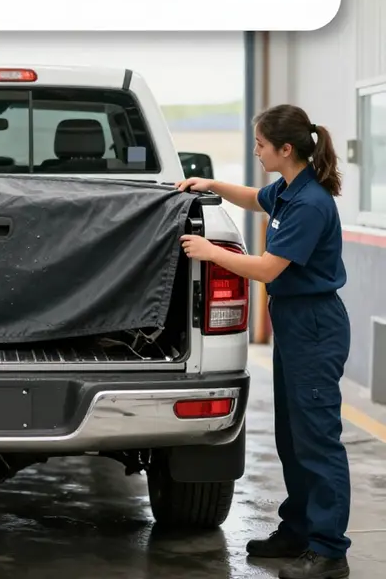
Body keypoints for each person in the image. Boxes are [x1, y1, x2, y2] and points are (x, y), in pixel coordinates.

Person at [177, 103, 351, 579]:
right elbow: (256, 197)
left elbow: (267, 268)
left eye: (260, 144)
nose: (255, 151)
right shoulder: (290, 190)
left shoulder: (312, 204)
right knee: (292, 438)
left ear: (285, 149)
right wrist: (210, 185)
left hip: (314, 325)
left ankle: (330, 551)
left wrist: (212, 251)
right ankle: (298, 530)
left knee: (317, 440)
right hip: (294, 324)